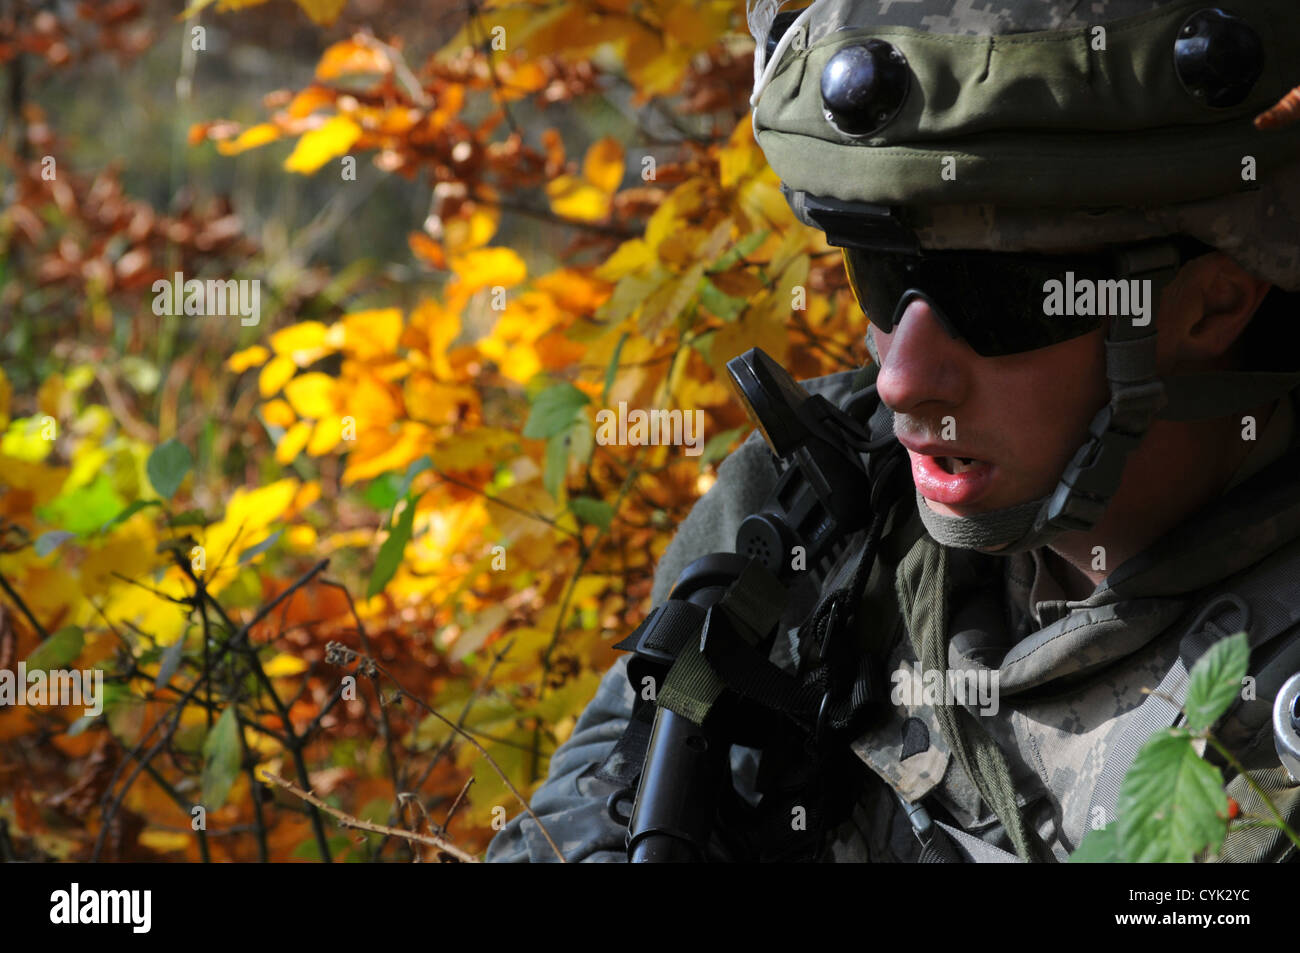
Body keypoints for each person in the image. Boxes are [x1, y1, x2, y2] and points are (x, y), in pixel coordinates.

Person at [486, 0, 1300, 862]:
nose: (902, 378)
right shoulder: (813, 517)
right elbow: (574, 816)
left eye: (999, 302)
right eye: (880, 277)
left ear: (1213, 303)